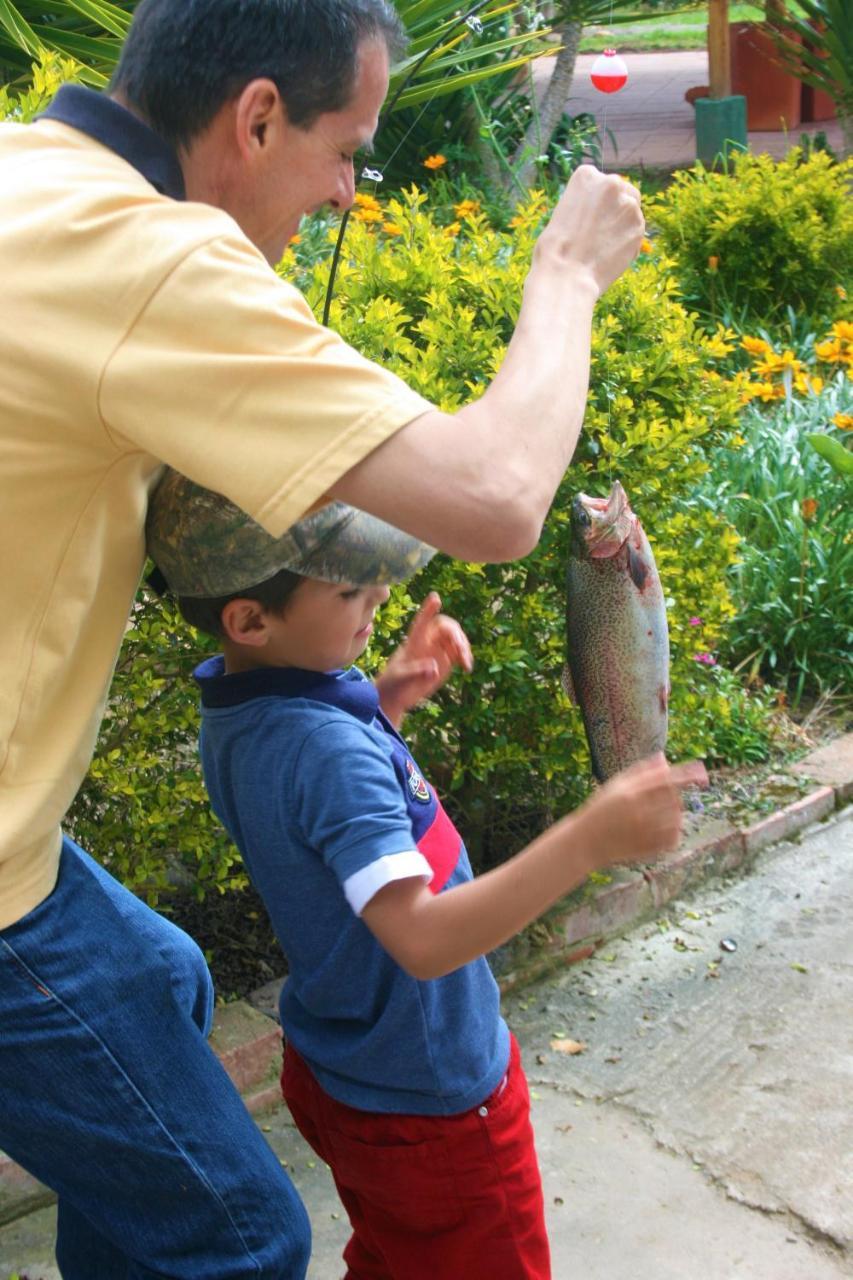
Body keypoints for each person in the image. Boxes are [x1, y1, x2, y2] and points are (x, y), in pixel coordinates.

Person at [0, 0, 644, 1273]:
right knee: (236, 1233)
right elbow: (499, 496)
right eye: (345, 149)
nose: (349, 192)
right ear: (252, 116)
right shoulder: (152, 260)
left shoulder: (32, 176)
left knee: (166, 978)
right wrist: (564, 278)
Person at [145, 475, 707, 1280]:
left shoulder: (240, 704)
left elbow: (307, 801)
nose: (379, 593)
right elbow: (418, 938)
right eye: (350, 587)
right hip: (432, 1099)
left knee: (399, 1253)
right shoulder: (325, 750)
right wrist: (586, 839)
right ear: (250, 618)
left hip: (344, 1070)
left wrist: (387, 700)